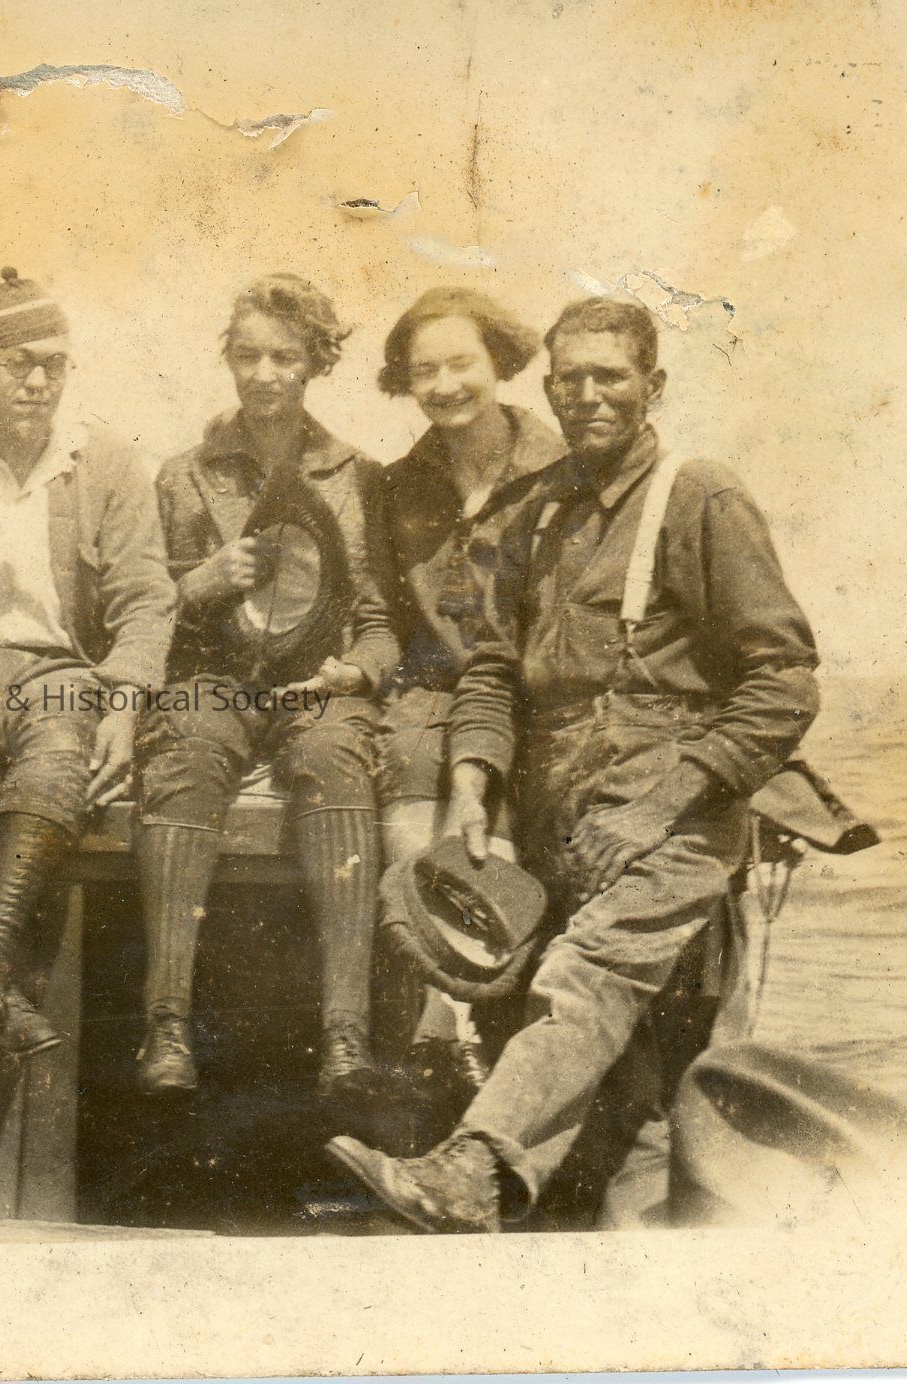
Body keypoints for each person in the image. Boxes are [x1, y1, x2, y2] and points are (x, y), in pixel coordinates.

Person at [326, 297, 820, 1232]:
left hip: (669, 815)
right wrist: (472, 780)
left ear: (651, 386)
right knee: (623, 1075)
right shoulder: (539, 512)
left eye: (611, 377)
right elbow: (490, 668)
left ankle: (472, 1168)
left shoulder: (698, 496)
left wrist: (657, 808)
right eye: (570, 380)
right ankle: (614, 1252)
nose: (588, 395)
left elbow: (783, 681)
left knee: (584, 978)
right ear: (547, 389)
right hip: (561, 813)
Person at [0, 268, 174, 1221]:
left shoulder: (108, 467)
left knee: (57, 763)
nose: (38, 382)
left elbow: (145, 598)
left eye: (54, 364)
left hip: (62, 665)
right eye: (18, 363)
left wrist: (124, 702)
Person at [134, 272, 399, 1099]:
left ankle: (346, 1037)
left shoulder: (358, 477)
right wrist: (201, 581)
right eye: (246, 355)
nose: (263, 374)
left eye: (284, 356)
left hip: (317, 687)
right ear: (227, 358)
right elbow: (140, 613)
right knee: (187, 745)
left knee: (336, 755)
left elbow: (381, 621)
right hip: (211, 679)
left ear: (314, 362)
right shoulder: (183, 476)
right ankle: (166, 1025)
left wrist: (355, 671)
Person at [369, 288, 563, 1090]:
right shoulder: (395, 484)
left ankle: (461, 1016)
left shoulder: (558, 470)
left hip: (525, 687)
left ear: (498, 362)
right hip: (425, 690)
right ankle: (443, 1013)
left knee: (497, 806)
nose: (444, 385)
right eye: (424, 371)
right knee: (410, 779)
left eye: (460, 364)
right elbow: (379, 613)